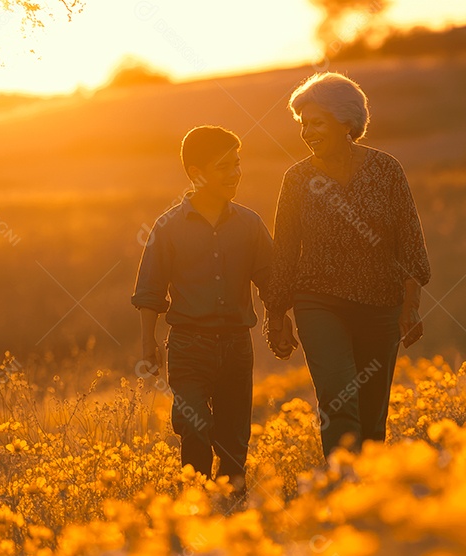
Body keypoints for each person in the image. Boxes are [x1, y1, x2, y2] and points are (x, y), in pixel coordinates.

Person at [263, 72, 431, 459]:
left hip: (381, 304)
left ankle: (367, 487)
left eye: (316, 123)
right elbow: (284, 250)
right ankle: (341, 482)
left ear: (345, 122)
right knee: (338, 397)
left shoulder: (386, 170)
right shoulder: (297, 179)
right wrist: (276, 314)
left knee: (372, 415)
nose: (307, 133)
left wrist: (411, 304)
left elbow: (409, 240)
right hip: (319, 302)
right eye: (303, 124)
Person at [131, 125, 291, 500]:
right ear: (196, 173)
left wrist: (279, 321)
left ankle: (233, 506)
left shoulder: (249, 224)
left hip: (237, 346)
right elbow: (150, 290)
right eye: (224, 167)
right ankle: (196, 501)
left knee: (234, 438)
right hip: (188, 346)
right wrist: (148, 344)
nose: (235, 173)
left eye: (237, 164)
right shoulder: (168, 227)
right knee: (194, 423)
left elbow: (270, 282)